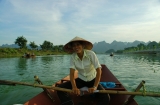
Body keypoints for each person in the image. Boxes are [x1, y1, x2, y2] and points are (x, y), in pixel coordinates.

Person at [56, 36, 110, 105]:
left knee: (106, 97)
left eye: (78, 44)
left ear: (83, 45)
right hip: (81, 80)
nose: (76, 47)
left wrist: (95, 87)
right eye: (74, 46)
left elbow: (99, 70)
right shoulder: (73, 57)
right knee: (59, 89)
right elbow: (72, 74)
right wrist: (74, 87)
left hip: (92, 80)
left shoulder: (91, 54)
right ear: (72, 48)